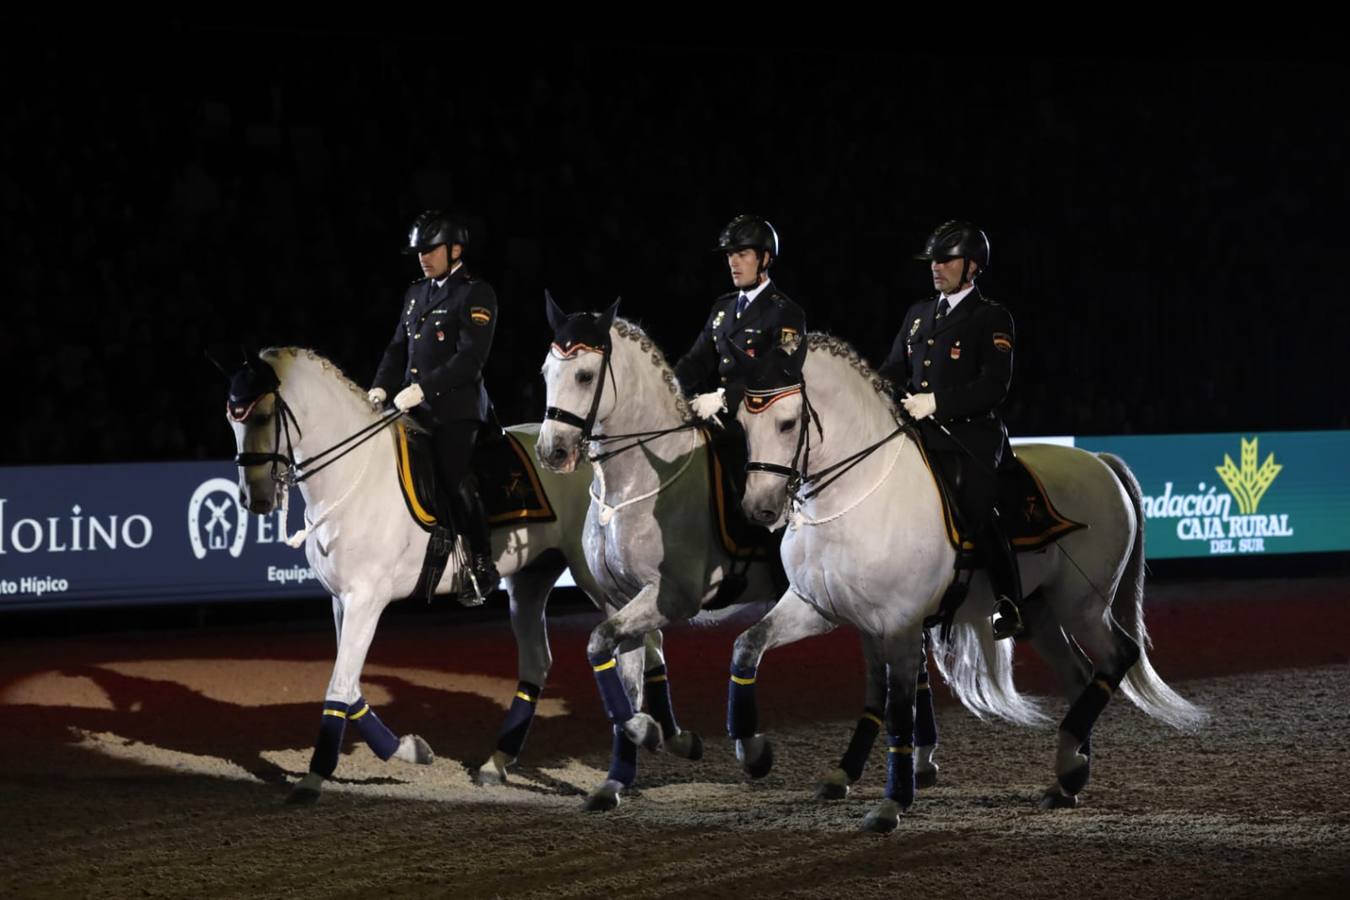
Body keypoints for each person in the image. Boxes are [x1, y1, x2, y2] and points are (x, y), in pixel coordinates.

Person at [877, 220, 1023, 639]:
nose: (936, 267)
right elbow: (892, 369)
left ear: (972, 267)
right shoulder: (918, 315)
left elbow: (994, 386)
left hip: (971, 437)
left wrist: (937, 402)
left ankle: (1007, 601)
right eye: (933, 261)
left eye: (946, 260)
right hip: (920, 432)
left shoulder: (992, 316)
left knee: (978, 508)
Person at [370, 210, 499, 595]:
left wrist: (424, 389)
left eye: (430, 250)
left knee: (453, 474)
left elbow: (470, 360)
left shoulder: (475, 292)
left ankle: (481, 562)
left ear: (455, 249)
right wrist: (379, 386)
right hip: (413, 407)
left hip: (455, 411)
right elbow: (397, 348)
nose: (423, 257)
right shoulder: (415, 293)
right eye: (419, 251)